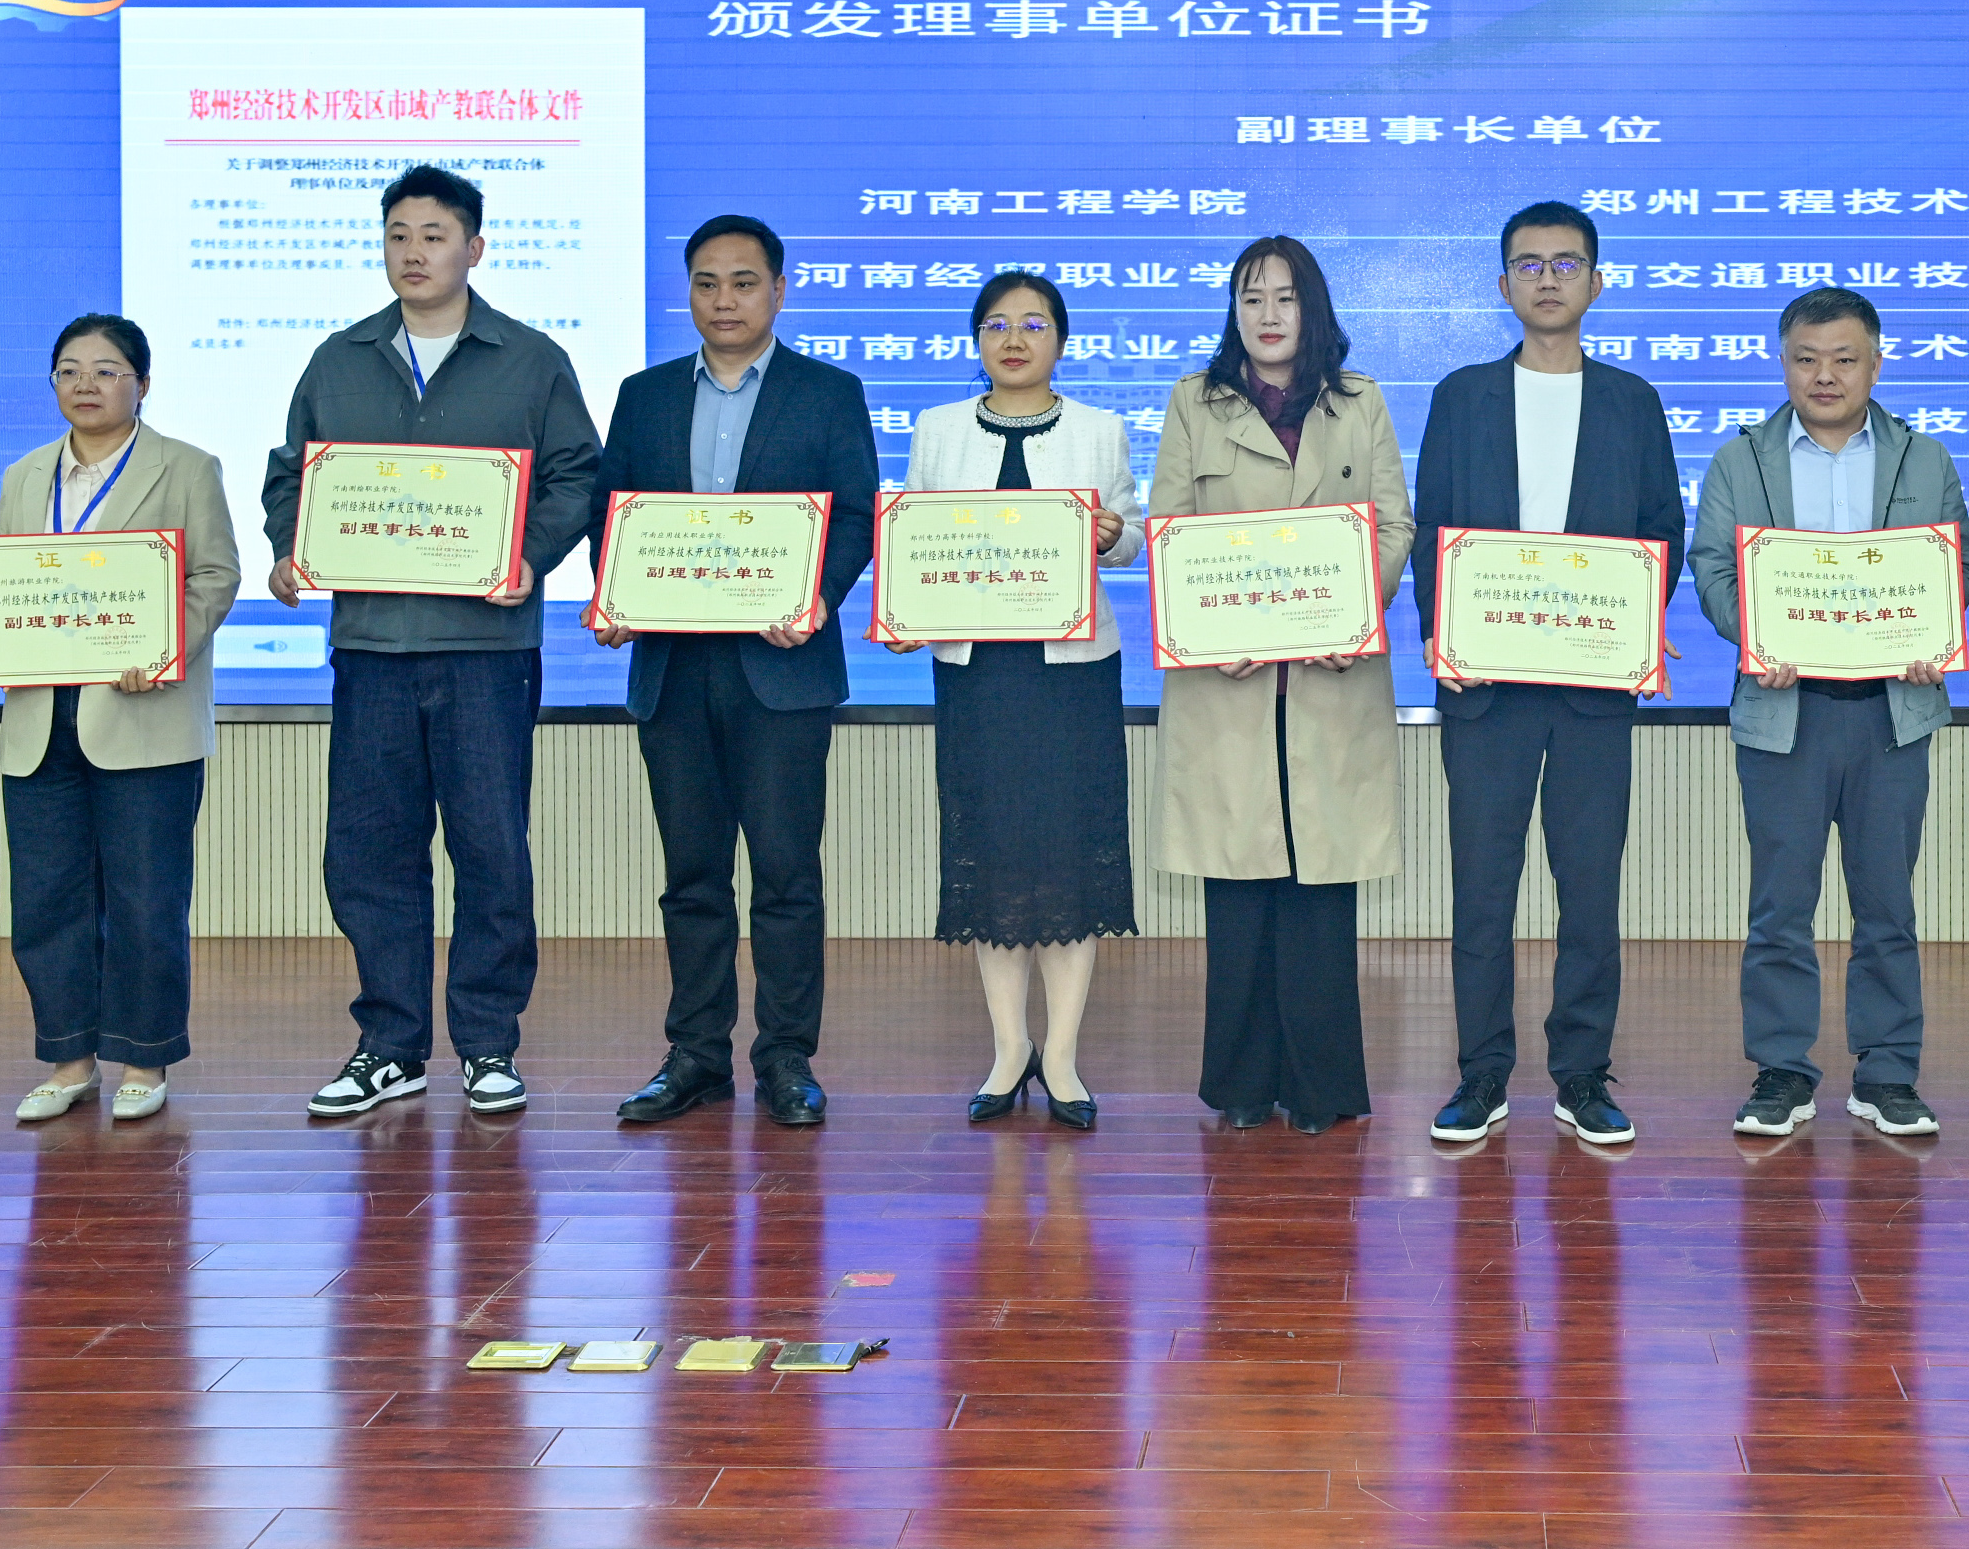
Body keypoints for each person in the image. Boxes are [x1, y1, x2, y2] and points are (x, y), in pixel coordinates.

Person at [262, 166, 603, 1120]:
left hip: (485, 649)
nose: (413, 252)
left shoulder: (530, 360)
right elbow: (292, 475)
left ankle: (488, 1041)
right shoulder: (338, 360)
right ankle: (391, 1043)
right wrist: (290, 548)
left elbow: (577, 475)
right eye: (398, 235)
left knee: (490, 848)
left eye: (434, 235)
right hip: (372, 645)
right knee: (369, 851)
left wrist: (530, 554)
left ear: (474, 248)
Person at [1411, 200, 1683, 1149]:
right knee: (1482, 892)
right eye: (1528, 264)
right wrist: (1441, 637)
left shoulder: (1632, 401)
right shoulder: (1462, 395)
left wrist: (1632, 626)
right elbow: (1433, 530)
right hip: (1484, 690)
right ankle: (1481, 1073)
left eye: (1566, 263)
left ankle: (1582, 1074)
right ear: (1503, 285)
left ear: (1596, 283)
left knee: (1589, 893)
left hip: (1591, 690)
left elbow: (1660, 531)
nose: (1547, 278)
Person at [601, 215, 880, 1128]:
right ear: (687, 292)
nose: (724, 299)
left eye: (744, 281)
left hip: (782, 668)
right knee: (691, 874)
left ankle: (787, 1056)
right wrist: (615, 593)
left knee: (786, 875)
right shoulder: (643, 396)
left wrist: (818, 596)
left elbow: (854, 515)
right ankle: (694, 1054)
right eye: (706, 282)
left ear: (779, 291)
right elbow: (614, 515)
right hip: (674, 667)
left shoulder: (828, 392)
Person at [1687, 285, 1969, 1141]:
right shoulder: (1740, 459)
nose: (1825, 375)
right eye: (1806, 358)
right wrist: (1755, 635)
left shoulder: (1924, 457)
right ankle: (1781, 1068)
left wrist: (1932, 632)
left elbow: (1953, 567)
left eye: (1844, 358)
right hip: (1784, 712)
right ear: (1781, 363)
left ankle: (1887, 1071)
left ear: (1876, 364)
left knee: (1886, 905)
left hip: (1891, 712)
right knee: (1779, 907)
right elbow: (1712, 567)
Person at [1149, 235, 1414, 1136]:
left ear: (1313, 308)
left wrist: (1356, 613)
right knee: (1238, 888)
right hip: (1228, 684)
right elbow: (1170, 527)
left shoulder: (1359, 401)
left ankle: (1320, 1085)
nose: (1267, 315)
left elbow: (1393, 525)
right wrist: (1207, 626)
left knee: (1318, 889)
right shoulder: (1194, 400)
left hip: (1330, 681)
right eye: (1251, 297)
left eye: (1285, 297)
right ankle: (1240, 1083)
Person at [883, 271, 1145, 1133]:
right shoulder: (937, 428)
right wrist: (903, 613)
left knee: (1069, 860)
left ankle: (1061, 1056)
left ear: (1061, 340)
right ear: (976, 339)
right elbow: (914, 543)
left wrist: (1115, 534)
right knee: (989, 858)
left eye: (1033, 324)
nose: (1014, 339)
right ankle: (1007, 1049)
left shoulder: (1101, 428)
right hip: (975, 673)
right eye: (996, 324)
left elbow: (1131, 534)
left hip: (1072, 674)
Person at [0, 315, 242, 1124]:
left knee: (146, 900)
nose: (84, 384)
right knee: (45, 900)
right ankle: (69, 1058)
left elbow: (215, 575)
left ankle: (144, 1056)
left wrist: (162, 646)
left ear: (143, 383)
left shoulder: (187, 466)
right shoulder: (24, 474)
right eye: (68, 370)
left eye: (105, 369)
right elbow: (2, 584)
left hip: (143, 716)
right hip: (38, 717)